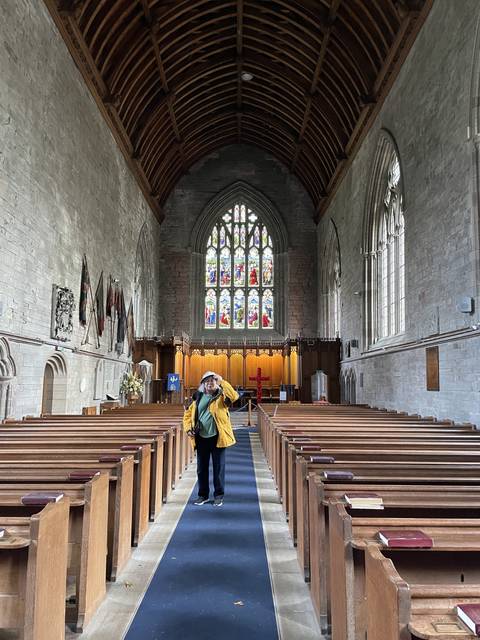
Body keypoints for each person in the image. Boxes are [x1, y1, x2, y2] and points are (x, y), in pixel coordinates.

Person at [183, 371, 239, 506]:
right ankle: (203, 495)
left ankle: (219, 495)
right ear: (203, 384)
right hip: (201, 437)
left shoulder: (222, 397)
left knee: (218, 468)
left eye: (212, 381)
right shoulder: (198, 397)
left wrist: (222, 381)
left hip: (217, 437)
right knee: (201, 468)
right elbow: (188, 414)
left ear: (216, 383)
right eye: (206, 381)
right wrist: (188, 428)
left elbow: (235, 396)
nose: (209, 383)